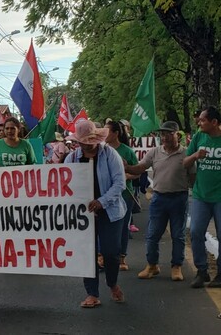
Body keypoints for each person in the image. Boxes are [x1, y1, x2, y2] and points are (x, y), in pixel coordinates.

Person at [64, 120, 127, 308]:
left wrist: (101, 201)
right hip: (84, 215)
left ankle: (112, 283)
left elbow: (119, 184)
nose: (87, 144)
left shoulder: (110, 155)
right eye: (83, 141)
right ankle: (92, 293)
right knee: (87, 254)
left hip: (110, 212)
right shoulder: (72, 159)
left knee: (110, 252)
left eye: (90, 141)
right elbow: (65, 185)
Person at [125, 121, 195, 281]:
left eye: (168, 134)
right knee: (152, 234)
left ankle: (176, 266)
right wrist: (127, 167)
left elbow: (193, 177)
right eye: (162, 134)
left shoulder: (186, 153)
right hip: (159, 198)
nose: (164, 137)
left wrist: (194, 193)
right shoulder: (155, 152)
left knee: (178, 235)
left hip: (179, 198)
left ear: (177, 135)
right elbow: (140, 168)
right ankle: (152, 265)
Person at [183, 106, 221, 288]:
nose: (199, 122)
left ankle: (220, 274)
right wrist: (196, 155)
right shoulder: (199, 137)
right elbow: (185, 161)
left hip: (219, 197)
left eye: (203, 120)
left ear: (214, 122)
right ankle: (202, 271)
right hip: (200, 196)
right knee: (196, 231)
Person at [105, 121, 138, 271]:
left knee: (123, 227)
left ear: (116, 134)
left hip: (125, 195)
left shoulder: (127, 151)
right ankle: (103, 257)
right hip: (105, 196)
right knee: (105, 227)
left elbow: (138, 172)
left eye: (107, 131)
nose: (104, 134)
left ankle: (121, 258)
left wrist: (125, 176)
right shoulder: (101, 150)